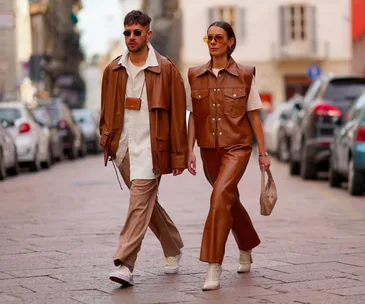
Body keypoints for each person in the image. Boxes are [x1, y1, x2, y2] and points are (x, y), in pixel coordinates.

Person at [99, 10, 187, 287]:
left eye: (137, 32)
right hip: (123, 148)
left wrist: (180, 154)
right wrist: (107, 139)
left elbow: (177, 115)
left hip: (153, 148)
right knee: (147, 205)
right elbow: (105, 111)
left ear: (149, 34)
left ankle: (125, 263)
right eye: (127, 32)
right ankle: (173, 246)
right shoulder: (113, 69)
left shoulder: (166, 69)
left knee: (138, 205)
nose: (131, 37)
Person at [186, 21, 271, 291]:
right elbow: (192, 119)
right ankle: (246, 245)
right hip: (208, 150)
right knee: (229, 200)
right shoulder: (194, 75)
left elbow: (253, 115)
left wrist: (263, 152)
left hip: (238, 147)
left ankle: (213, 266)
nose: (213, 42)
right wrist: (189, 149)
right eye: (209, 37)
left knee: (220, 195)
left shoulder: (245, 75)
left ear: (230, 42)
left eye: (218, 37)